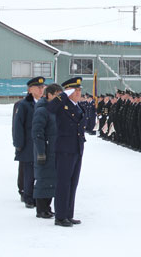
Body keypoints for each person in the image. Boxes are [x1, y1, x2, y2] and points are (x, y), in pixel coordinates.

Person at [47, 77, 87, 227]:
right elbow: (50, 108)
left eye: (79, 90)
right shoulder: (62, 105)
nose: (78, 92)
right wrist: (63, 94)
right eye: (75, 90)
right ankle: (60, 216)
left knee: (73, 183)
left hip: (76, 148)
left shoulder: (78, 106)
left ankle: (68, 214)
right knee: (63, 183)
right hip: (64, 149)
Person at [13, 76, 46, 209]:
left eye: (42, 87)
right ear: (30, 89)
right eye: (38, 87)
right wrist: (19, 144)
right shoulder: (24, 105)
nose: (41, 89)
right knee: (29, 172)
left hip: (41, 143)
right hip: (28, 143)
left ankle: (38, 195)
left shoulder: (45, 103)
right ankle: (28, 197)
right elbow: (18, 126)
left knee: (40, 172)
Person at [32, 83, 63, 219]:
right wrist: (41, 152)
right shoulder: (42, 110)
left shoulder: (55, 109)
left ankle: (47, 207)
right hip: (44, 150)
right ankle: (41, 208)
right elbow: (37, 132)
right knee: (43, 179)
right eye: (57, 95)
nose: (59, 98)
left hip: (54, 150)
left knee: (51, 180)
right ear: (49, 95)